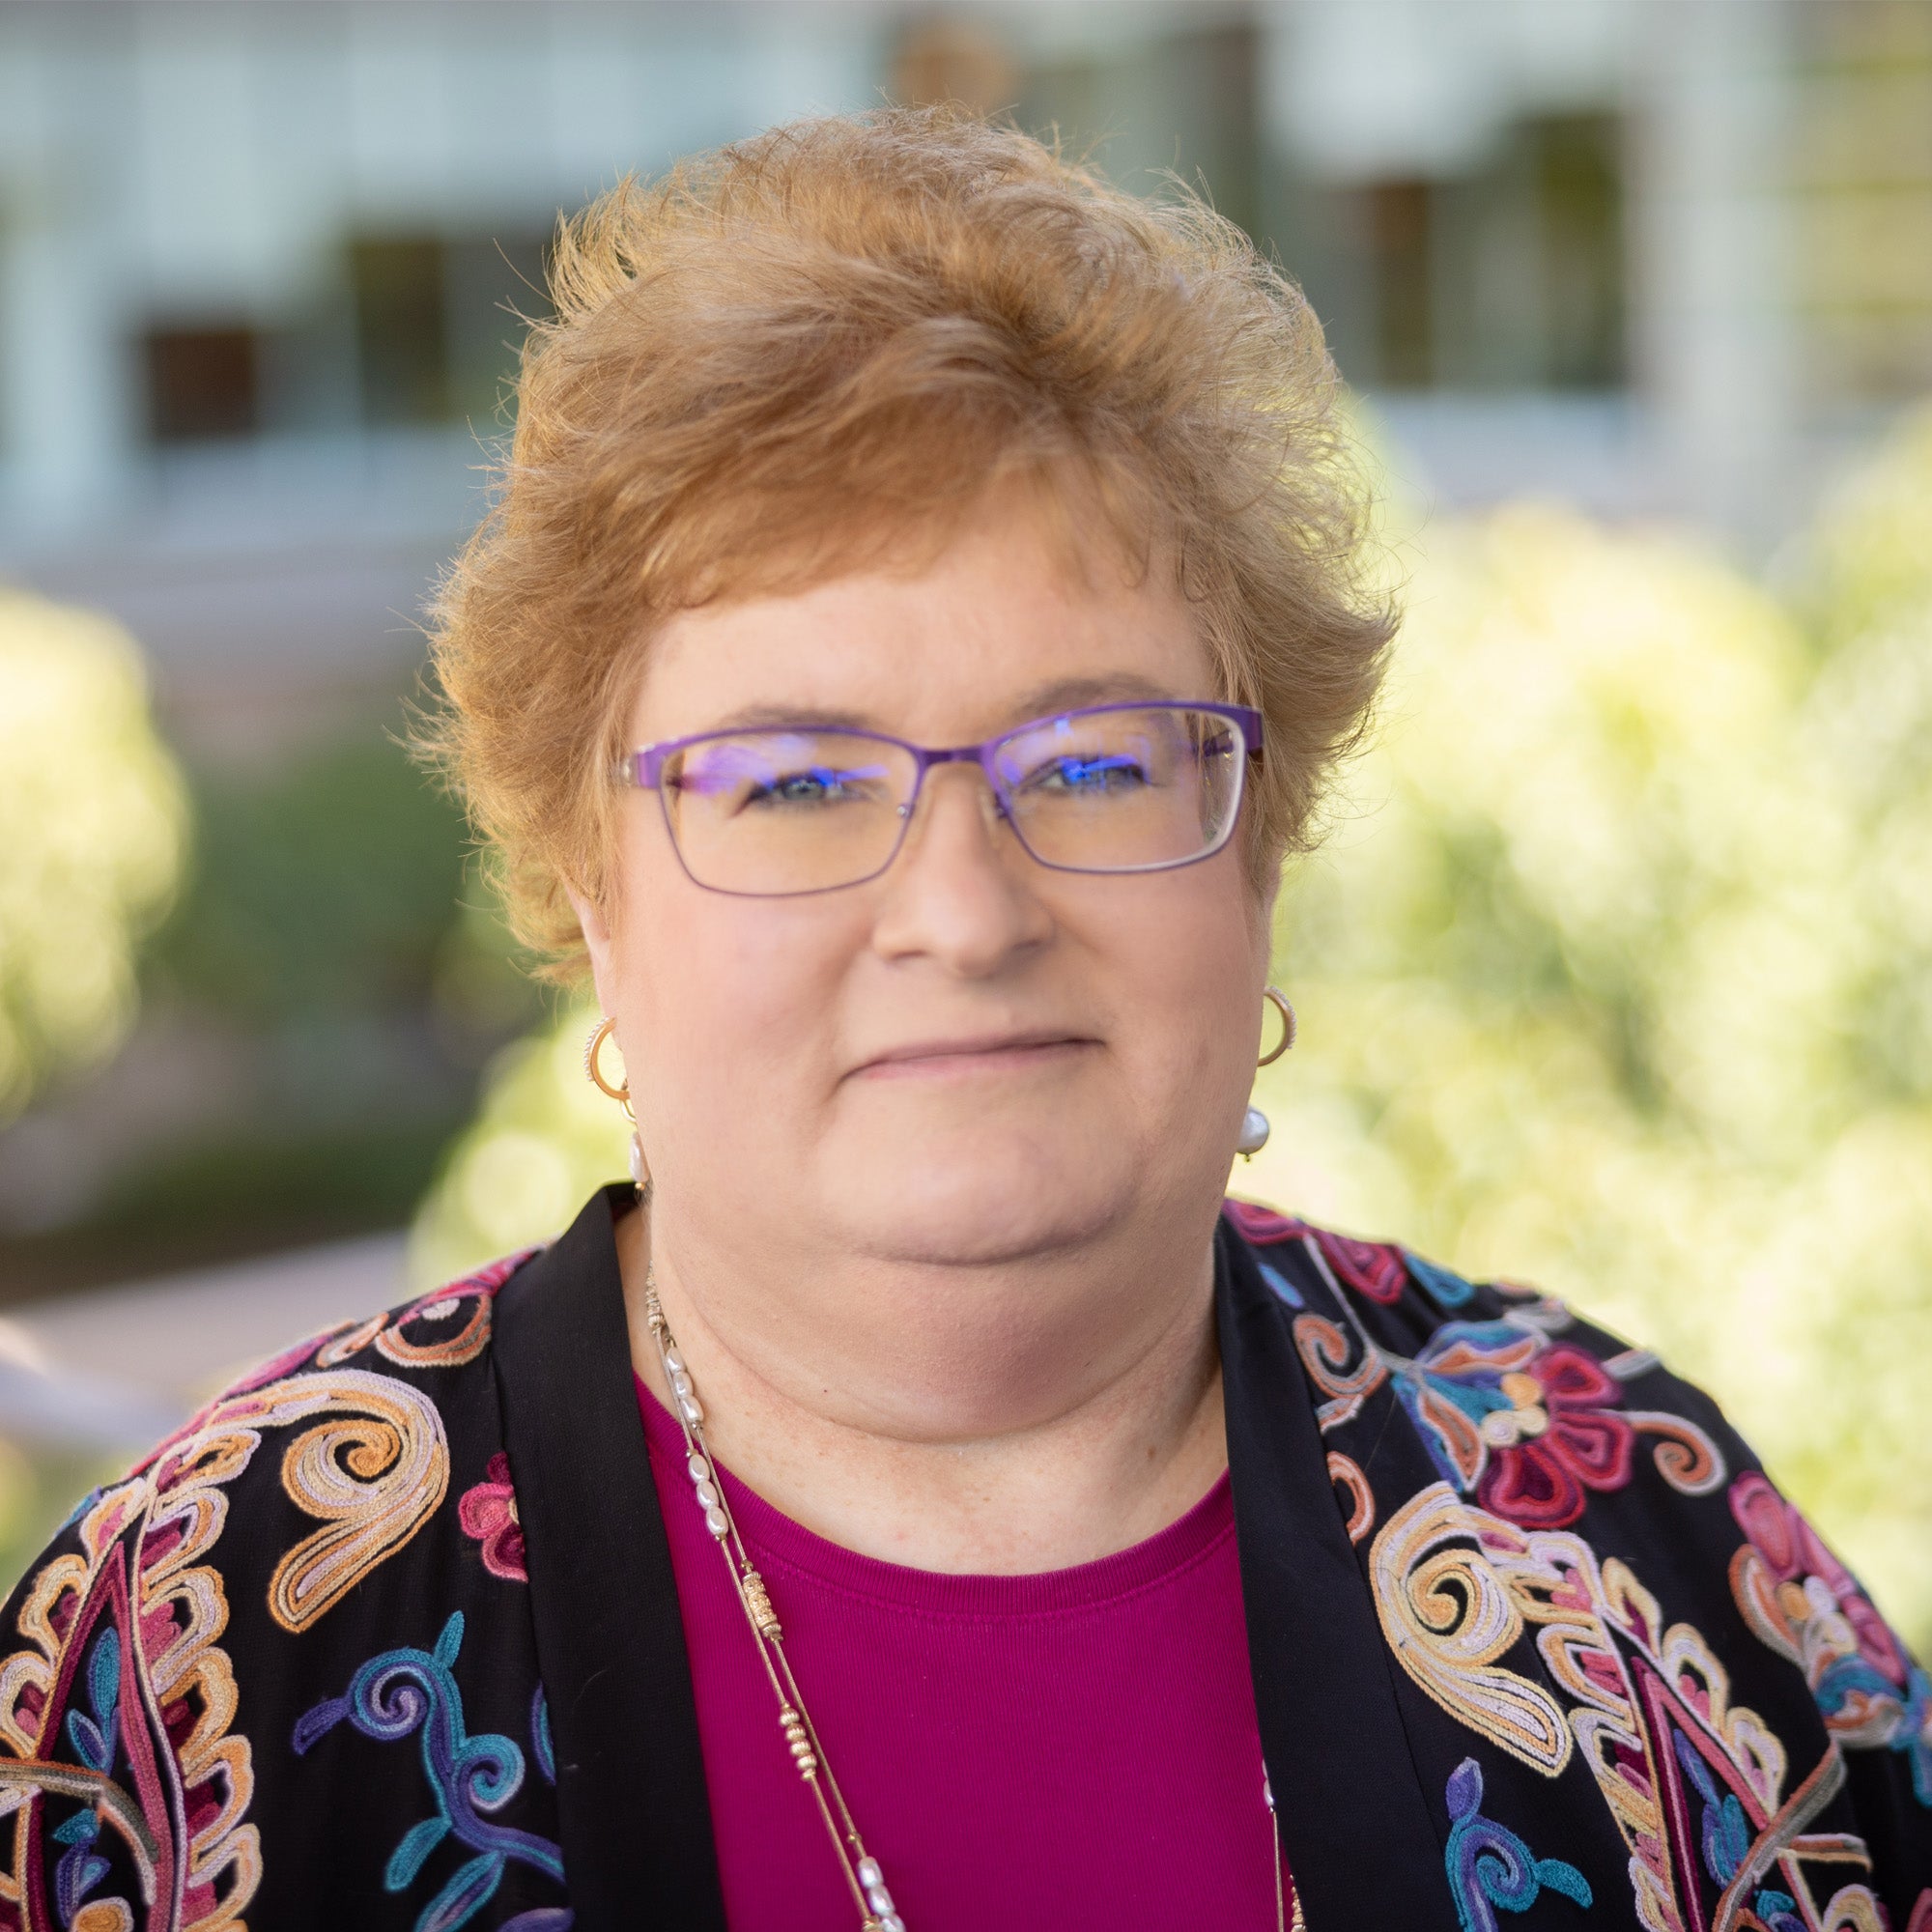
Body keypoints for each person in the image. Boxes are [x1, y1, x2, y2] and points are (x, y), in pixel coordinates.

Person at [2, 107, 1926, 1932]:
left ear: (1256, 848)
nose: (960, 909)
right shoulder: (211, 1633)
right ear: (591, 898)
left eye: (1093, 761)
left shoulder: (1626, 1527)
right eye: (792, 783)